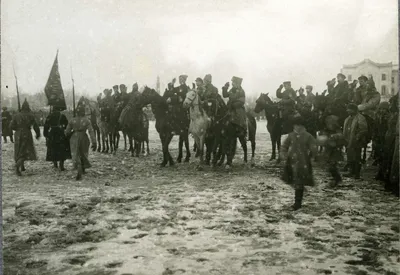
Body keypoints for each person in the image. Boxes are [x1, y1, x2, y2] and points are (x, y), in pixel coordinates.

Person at [280, 115, 318, 210]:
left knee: (299, 181)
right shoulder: (291, 135)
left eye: (299, 125)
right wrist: (284, 154)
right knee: (294, 180)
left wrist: (313, 155)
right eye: (296, 125)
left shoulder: (308, 136)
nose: (297, 127)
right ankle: (299, 193)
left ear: (303, 126)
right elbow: (284, 146)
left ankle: (297, 202)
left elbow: (314, 147)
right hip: (291, 162)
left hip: (303, 162)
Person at [65, 103, 97, 180]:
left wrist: (68, 133)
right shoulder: (87, 120)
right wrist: (94, 141)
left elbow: (67, 131)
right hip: (84, 137)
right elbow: (91, 131)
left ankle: (78, 165)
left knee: (76, 153)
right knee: (83, 153)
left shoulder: (72, 120)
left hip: (74, 137)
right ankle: (83, 168)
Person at [9, 99, 41, 176]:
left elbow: (11, 126)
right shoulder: (30, 115)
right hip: (26, 133)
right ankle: (17, 167)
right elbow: (35, 126)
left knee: (19, 150)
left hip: (17, 134)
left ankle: (22, 166)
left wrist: (18, 129)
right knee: (25, 150)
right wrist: (38, 134)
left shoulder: (16, 115)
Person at [317, 115, 346, 187]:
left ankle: (337, 179)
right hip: (328, 149)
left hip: (335, 150)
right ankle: (336, 178)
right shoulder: (326, 130)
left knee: (332, 165)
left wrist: (334, 136)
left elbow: (341, 136)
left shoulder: (337, 130)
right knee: (329, 165)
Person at [343, 103, 368, 180]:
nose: (348, 110)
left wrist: (357, 137)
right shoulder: (347, 118)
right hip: (349, 141)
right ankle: (351, 171)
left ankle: (357, 173)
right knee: (350, 156)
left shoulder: (360, 118)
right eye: (347, 109)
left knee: (357, 157)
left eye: (349, 109)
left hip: (357, 141)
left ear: (354, 110)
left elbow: (363, 129)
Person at [43, 105, 71, 170]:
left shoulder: (49, 116)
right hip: (60, 133)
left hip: (52, 134)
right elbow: (67, 125)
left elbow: (46, 126)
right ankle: (61, 165)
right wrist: (63, 128)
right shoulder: (62, 116)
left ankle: (55, 164)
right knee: (61, 149)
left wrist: (46, 135)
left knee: (53, 148)